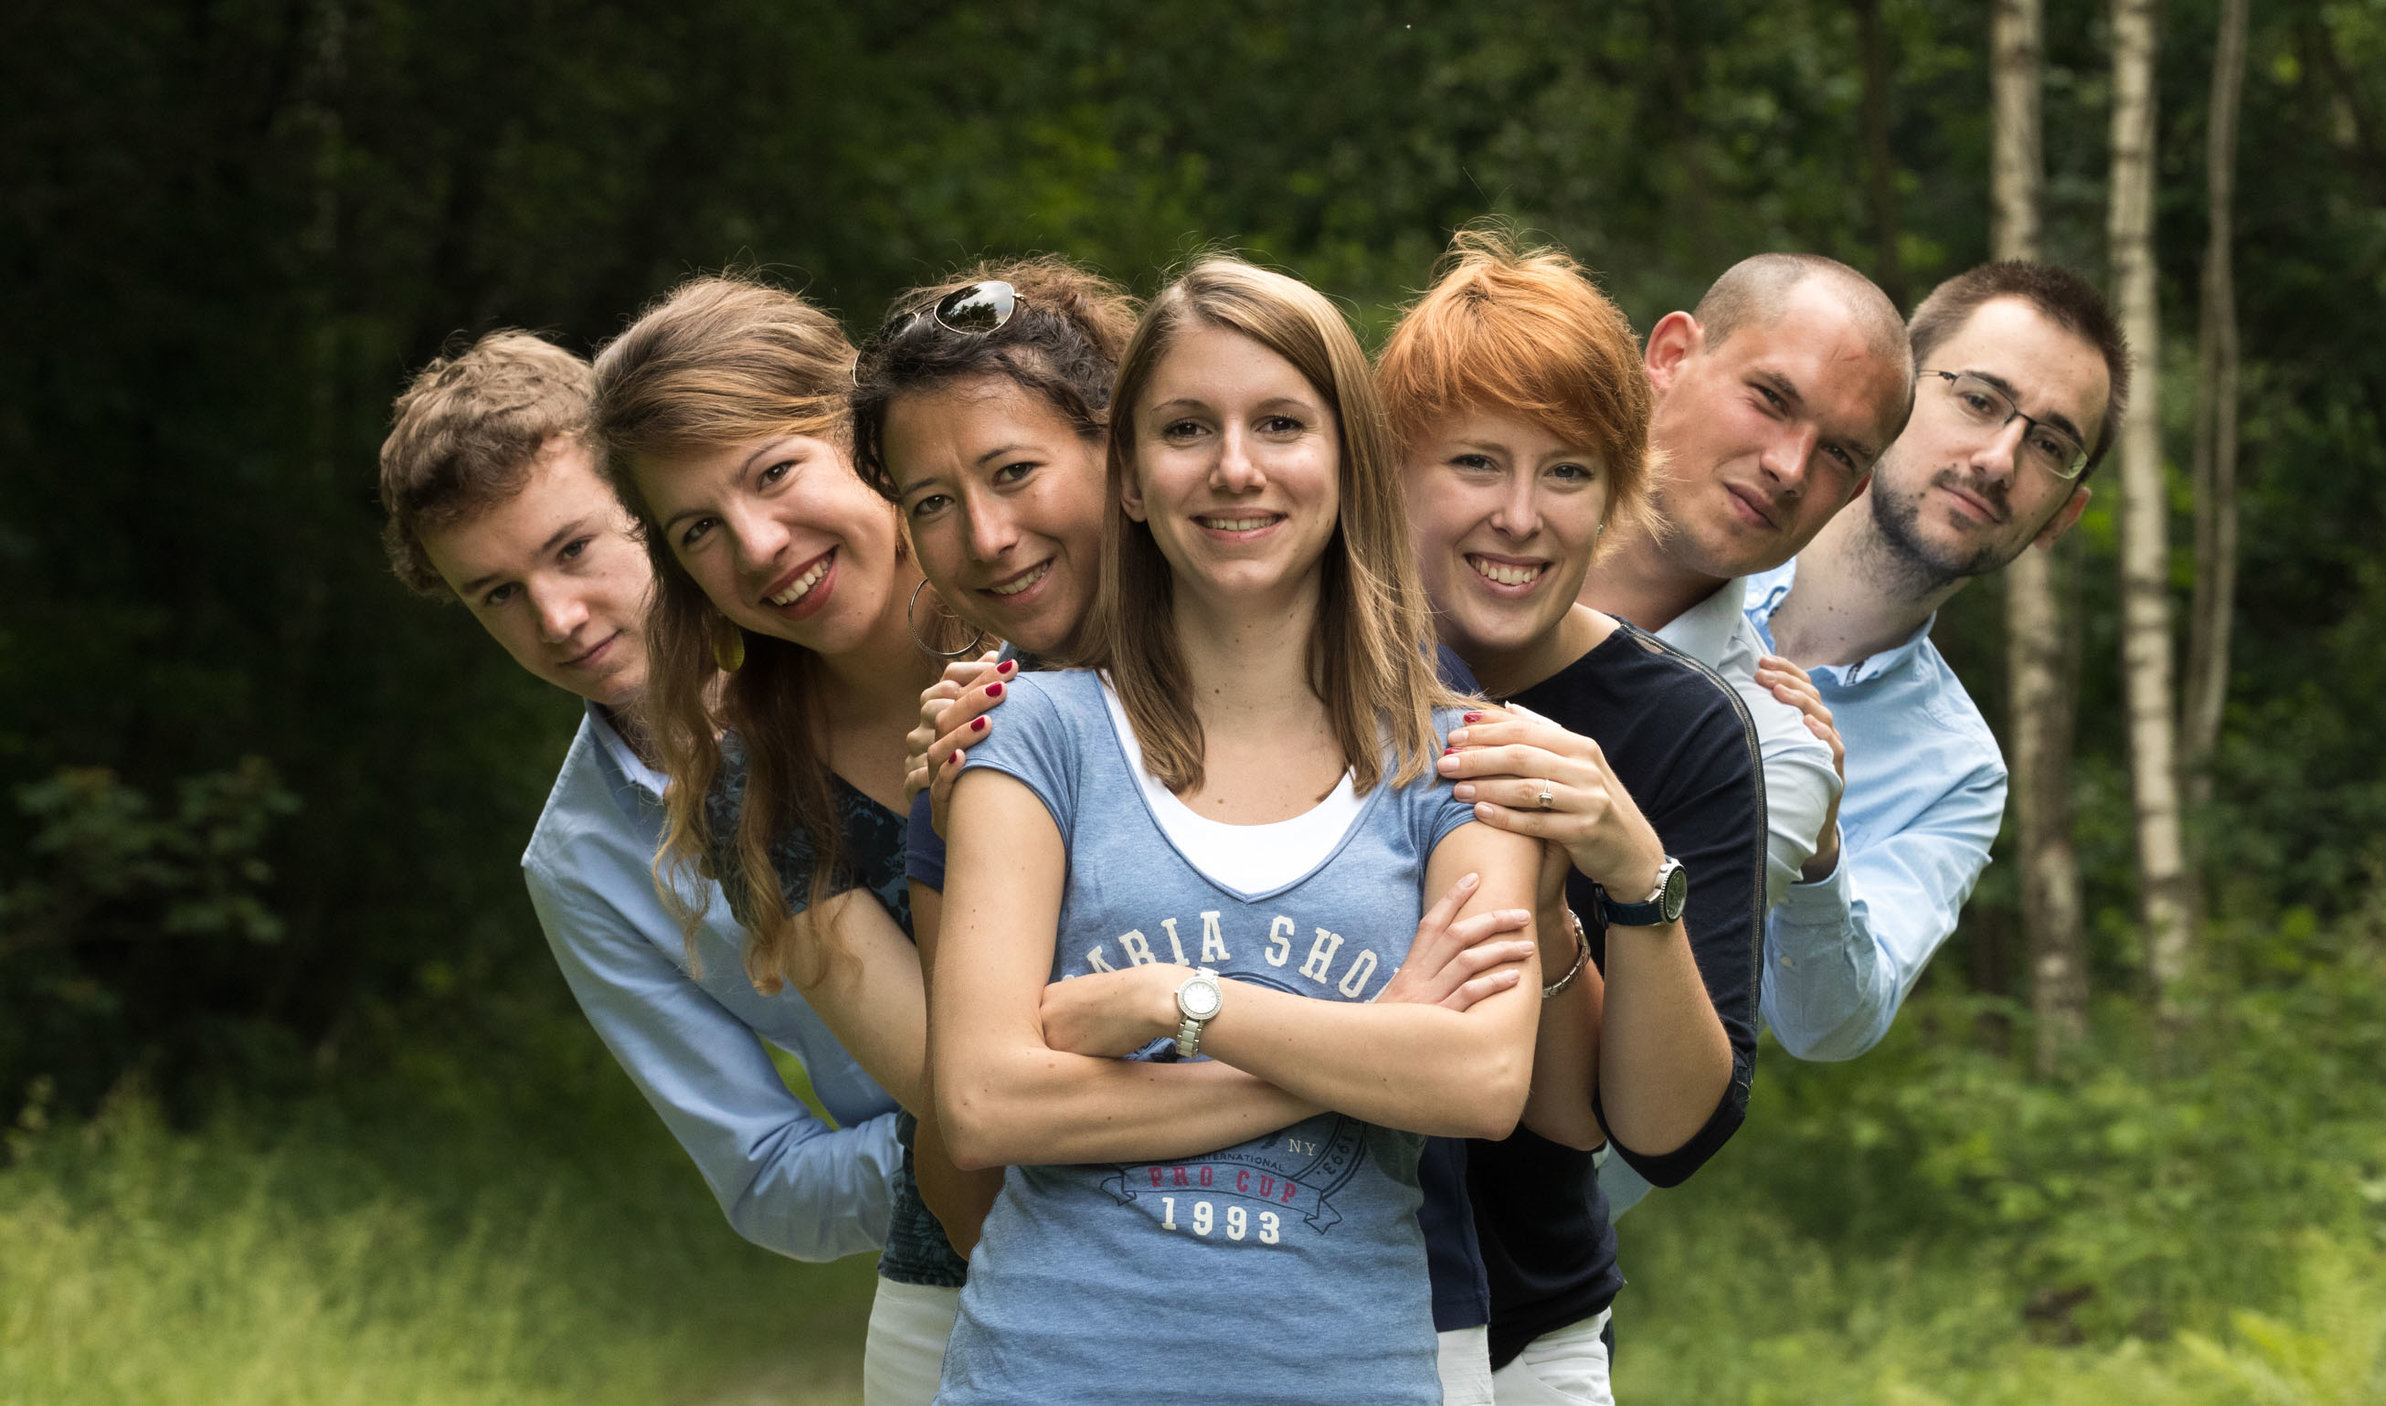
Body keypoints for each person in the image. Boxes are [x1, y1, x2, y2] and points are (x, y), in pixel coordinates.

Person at [848, 254, 1542, 1399]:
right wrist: (1368, 1047)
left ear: (1347, 458)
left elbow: (1478, 1080)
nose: (1233, 467)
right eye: (1183, 428)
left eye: (1279, 422)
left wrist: (1176, 1005)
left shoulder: (1461, 752)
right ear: (1129, 477)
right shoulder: (1023, 732)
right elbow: (979, 1105)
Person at [374, 333, 905, 1298]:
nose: (558, 618)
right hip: (970, 1252)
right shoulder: (581, 864)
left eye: (571, 549)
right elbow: (767, 1179)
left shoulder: (876, 640)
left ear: (650, 507)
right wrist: (986, 1134)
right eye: (497, 594)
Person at [1384, 231, 1768, 1404]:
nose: (1519, 516)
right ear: (1388, 466)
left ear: (1617, 493)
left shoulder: (1683, 726)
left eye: (1566, 472)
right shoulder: (1281, 666)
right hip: (1269, 1302)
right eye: (1475, 463)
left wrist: (1632, 872)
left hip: (1527, 1332)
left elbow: (1667, 1135)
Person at [585, 279, 965, 1406]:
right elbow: (965, 1098)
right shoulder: (753, 785)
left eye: (774, 471)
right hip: (968, 1319)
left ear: (865, 437)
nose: (757, 545)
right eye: (698, 527)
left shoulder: (1072, 623)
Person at [1747, 261, 2125, 1059]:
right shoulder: (1695, 538)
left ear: (2063, 516)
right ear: (1894, 392)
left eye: (2050, 444)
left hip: (1563, 1177)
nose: (1997, 459)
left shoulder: (1958, 771)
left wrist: (1819, 860)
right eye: (1980, 401)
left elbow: (1829, 1028)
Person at [1578, 253, 1915, 906]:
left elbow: (1649, 1003)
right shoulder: (1451, 526)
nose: (1790, 468)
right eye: (1771, 399)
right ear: (1672, 357)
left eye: (1839, 454)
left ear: (1856, 492)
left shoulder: (1767, 760)